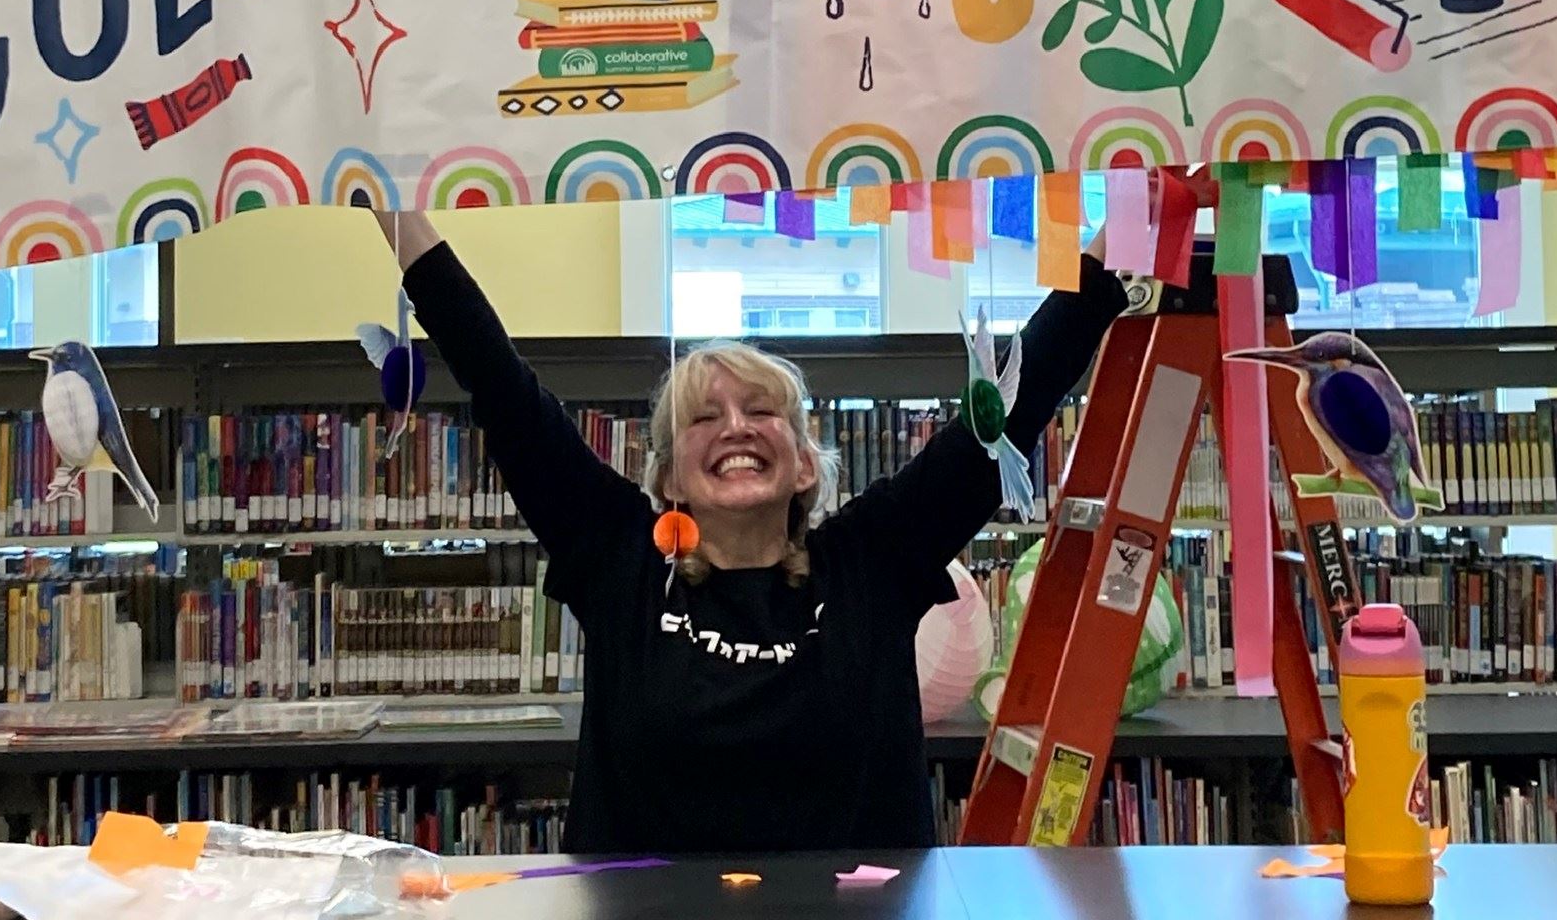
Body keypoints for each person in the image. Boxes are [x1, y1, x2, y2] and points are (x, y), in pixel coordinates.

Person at [380, 208, 1127, 853]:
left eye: (761, 412)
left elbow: (1017, 401)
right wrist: (387, 207)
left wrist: (1135, 214)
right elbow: (502, 388)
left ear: (805, 463)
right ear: (670, 480)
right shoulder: (623, 561)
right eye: (704, 418)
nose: (735, 428)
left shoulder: (874, 558)